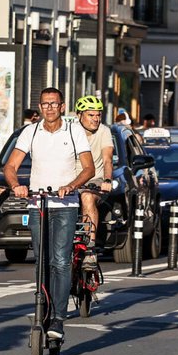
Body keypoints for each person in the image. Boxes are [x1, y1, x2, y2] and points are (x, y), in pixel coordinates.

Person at [3, 87, 93, 342]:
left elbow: (88, 168)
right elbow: (10, 166)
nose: (49, 108)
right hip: (38, 204)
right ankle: (42, 308)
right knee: (41, 261)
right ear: (40, 107)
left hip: (65, 205)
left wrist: (71, 186)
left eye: (54, 104)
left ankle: (58, 319)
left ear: (62, 107)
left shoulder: (74, 131)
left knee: (60, 261)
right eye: (45, 104)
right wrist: (16, 185)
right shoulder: (30, 132)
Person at [73, 94, 114, 268]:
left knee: (87, 197)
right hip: (69, 180)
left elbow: (107, 159)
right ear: (79, 115)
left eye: (98, 115)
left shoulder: (104, 131)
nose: (96, 119)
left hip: (94, 180)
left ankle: (90, 248)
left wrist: (107, 179)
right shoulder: (70, 131)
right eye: (91, 115)